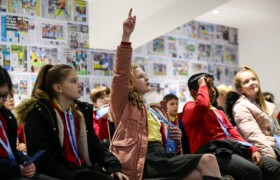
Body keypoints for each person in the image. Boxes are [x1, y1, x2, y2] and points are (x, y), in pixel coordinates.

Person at [110, 9, 222, 180]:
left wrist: (176, 139)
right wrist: (126, 37)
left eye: (145, 74)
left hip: (161, 156)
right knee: (209, 159)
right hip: (141, 158)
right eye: (140, 76)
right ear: (129, 84)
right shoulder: (123, 105)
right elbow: (120, 74)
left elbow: (169, 146)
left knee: (199, 175)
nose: (146, 77)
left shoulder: (155, 110)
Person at [15, 64, 128, 180]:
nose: (80, 84)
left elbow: (94, 146)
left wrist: (113, 165)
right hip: (63, 172)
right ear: (58, 88)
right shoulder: (39, 113)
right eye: (74, 81)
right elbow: (42, 156)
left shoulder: (80, 112)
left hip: (82, 168)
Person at [183, 72, 280, 180]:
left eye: (212, 86)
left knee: (274, 167)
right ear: (193, 92)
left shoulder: (219, 112)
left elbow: (233, 134)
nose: (212, 90)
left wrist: (253, 149)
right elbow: (202, 106)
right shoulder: (189, 108)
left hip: (231, 149)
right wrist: (202, 84)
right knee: (252, 171)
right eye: (208, 87)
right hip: (213, 154)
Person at [0, 65, 54, 180]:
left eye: (5, 95)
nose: (3, 100)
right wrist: (17, 168)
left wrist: (26, 161)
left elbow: (10, 151)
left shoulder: (6, 116)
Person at [233, 66, 280, 161]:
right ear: (240, 89)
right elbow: (254, 136)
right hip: (265, 149)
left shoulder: (267, 105)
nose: (252, 83)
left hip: (275, 145)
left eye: (253, 79)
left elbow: (277, 131)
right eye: (246, 82)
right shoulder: (241, 107)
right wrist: (272, 157)